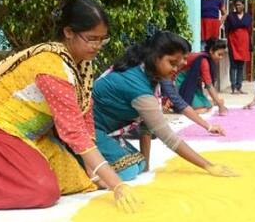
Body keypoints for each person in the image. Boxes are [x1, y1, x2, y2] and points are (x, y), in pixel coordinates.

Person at [0, 0, 139, 212]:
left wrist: (93, 171)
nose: (97, 46)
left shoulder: (82, 66)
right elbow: (73, 131)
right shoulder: (50, 65)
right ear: (68, 32)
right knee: (43, 191)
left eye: (102, 40)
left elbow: (84, 123)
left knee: (81, 181)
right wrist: (117, 185)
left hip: (29, 137)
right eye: (91, 39)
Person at [92, 31, 236, 180]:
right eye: (172, 63)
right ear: (155, 57)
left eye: (179, 64)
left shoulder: (150, 74)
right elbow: (168, 136)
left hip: (103, 130)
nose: (176, 69)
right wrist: (208, 165)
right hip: (89, 131)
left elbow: (146, 125)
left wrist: (146, 166)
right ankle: (79, 168)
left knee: (139, 164)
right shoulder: (139, 87)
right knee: (128, 170)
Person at [173, 38, 228, 115]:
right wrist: (219, 104)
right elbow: (209, 85)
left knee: (208, 106)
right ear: (211, 51)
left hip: (191, 83)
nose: (221, 57)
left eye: (223, 55)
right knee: (202, 110)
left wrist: (218, 101)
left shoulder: (209, 60)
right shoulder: (203, 61)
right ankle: (184, 110)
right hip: (181, 81)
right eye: (219, 54)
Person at [224, 0, 252, 94]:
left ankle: (239, 87)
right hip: (233, 43)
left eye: (239, 4)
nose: (238, 7)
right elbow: (229, 28)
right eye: (236, 5)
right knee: (233, 65)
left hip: (244, 43)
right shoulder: (230, 16)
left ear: (243, 5)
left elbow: (246, 23)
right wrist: (238, 25)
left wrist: (237, 25)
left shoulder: (248, 16)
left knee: (241, 66)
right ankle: (233, 87)